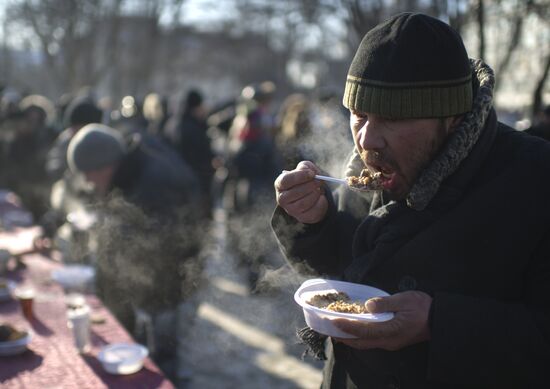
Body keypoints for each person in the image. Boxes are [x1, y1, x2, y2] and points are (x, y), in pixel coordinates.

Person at [272, 12, 550, 388]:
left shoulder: (534, 180)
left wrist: (440, 322)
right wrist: (312, 221)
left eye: (391, 118)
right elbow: (343, 269)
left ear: (451, 117)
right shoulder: (372, 173)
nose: (366, 140)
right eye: (359, 114)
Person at [67, 123, 205, 384]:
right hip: (147, 279)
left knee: (163, 352)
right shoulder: (126, 171)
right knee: (142, 343)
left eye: (88, 174)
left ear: (104, 165)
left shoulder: (156, 181)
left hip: (170, 280)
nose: (86, 181)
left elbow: (168, 241)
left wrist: (118, 237)